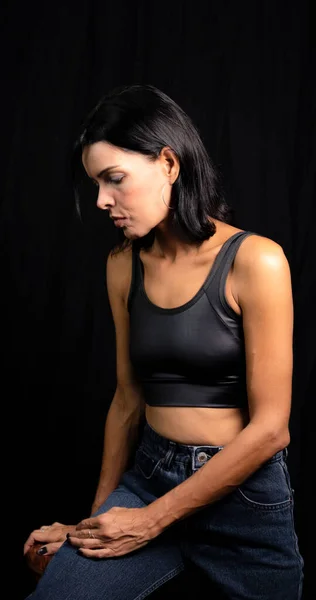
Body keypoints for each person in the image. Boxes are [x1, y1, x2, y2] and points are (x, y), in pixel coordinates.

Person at [23, 84, 304, 599]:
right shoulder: (121, 266)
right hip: (150, 478)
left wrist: (153, 522)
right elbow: (128, 400)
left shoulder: (256, 260)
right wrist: (93, 526)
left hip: (243, 502)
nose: (103, 200)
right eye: (96, 184)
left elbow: (271, 430)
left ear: (169, 165)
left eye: (114, 180)